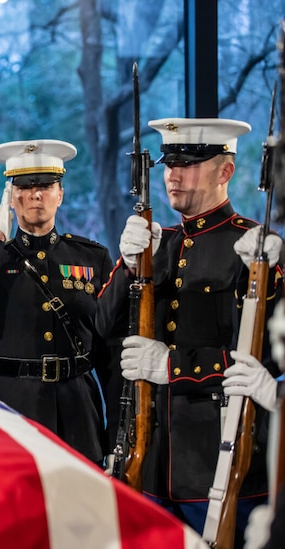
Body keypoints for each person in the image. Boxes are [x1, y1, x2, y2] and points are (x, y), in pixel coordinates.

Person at [96, 117, 283, 542]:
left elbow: (264, 360)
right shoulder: (160, 244)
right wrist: (129, 267)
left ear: (226, 171)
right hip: (153, 462)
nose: (173, 175)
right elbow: (104, 325)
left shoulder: (254, 247)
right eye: (169, 164)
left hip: (217, 460)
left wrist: (173, 366)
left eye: (189, 164)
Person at [0, 139, 112, 464]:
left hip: (77, 407)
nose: (36, 194)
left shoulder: (92, 258)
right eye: (24, 186)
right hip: (10, 404)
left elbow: (107, 350)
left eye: (46, 185)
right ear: (11, 198)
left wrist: (116, 433)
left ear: (60, 194)